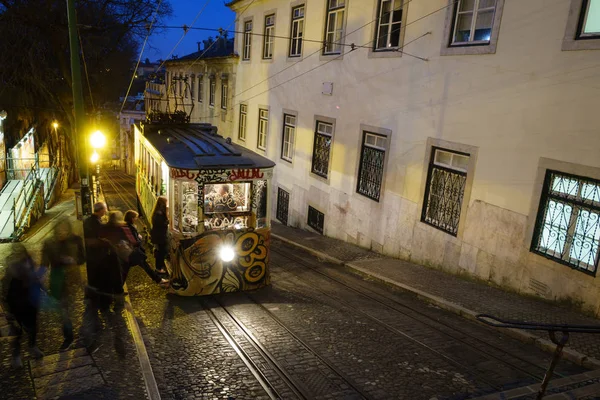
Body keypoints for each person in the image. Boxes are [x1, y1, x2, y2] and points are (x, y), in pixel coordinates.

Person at [41, 218, 85, 352]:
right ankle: (69, 337)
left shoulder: (76, 240)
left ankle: (78, 333)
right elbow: (44, 264)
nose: (62, 232)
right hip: (57, 279)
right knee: (64, 310)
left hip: (73, 277)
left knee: (71, 307)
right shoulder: (48, 243)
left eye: (65, 229)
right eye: (59, 229)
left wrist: (74, 260)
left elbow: (83, 259)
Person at [1, 243, 44, 368]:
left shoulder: (28, 262)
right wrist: (7, 308)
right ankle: (16, 356)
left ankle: (32, 346)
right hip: (16, 303)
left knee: (33, 327)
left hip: (29, 301)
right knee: (17, 331)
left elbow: (34, 278)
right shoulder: (11, 269)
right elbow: (6, 289)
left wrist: (42, 289)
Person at [122, 210, 168, 286]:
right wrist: (139, 238)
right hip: (134, 252)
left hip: (130, 252)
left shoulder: (126, 226)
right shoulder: (130, 227)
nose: (136, 219)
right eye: (136, 217)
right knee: (146, 267)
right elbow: (134, 241)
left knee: (125, 270)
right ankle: (159, 280)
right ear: (132, 218)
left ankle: (119, 288)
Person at [150, 196, 169, 274]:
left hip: (158, 235)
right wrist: (168, 221)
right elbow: (162, 224)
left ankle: (159, 267)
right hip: (159, 236)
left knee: (160, 251)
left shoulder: (158, 212)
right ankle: (158, 268)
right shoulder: (159, 214)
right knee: (161, 252)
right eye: (166, 202)